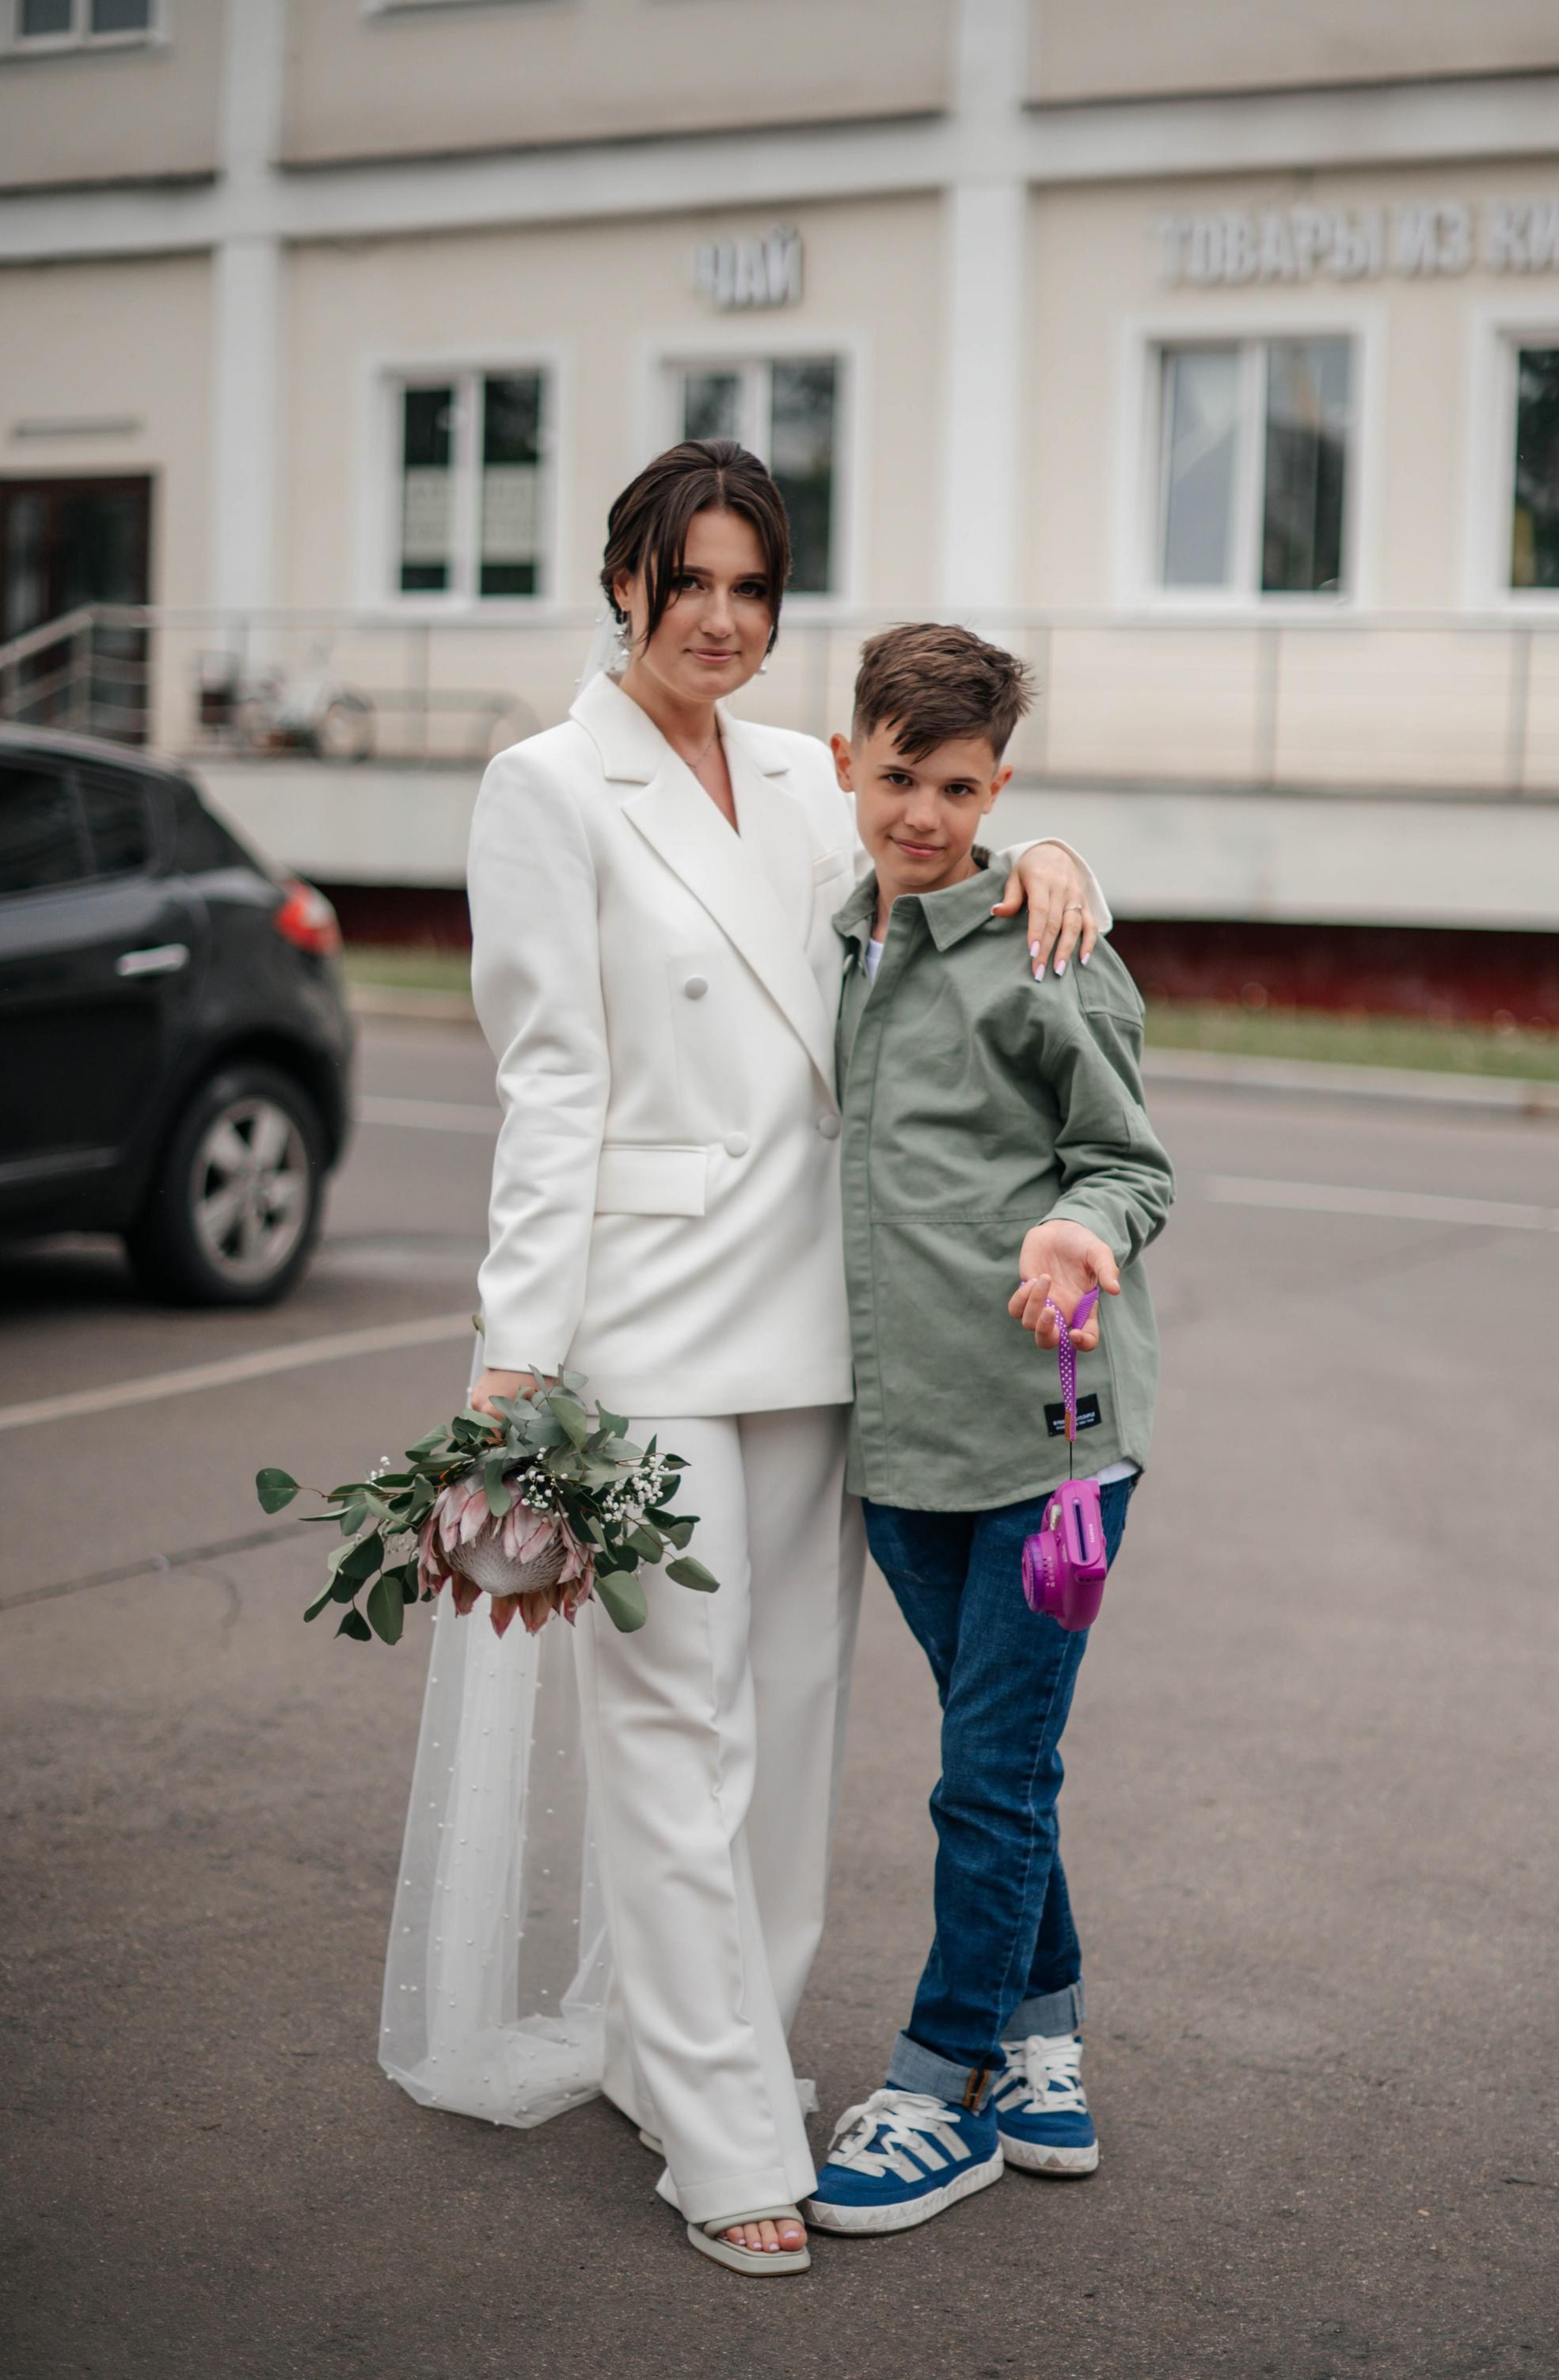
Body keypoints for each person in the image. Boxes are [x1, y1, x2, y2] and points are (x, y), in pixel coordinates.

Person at [378, 443, 1110, 2275]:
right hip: (638, 1332)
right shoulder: (545, 789)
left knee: (788, 1735)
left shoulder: (805, 769)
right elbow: (551, 1089)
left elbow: (925, 863)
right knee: (669, 1728)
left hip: (821, 1321)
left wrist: (1050, 856)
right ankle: (717, 2132)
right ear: (621, 581)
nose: (721, 619)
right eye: (686, 581)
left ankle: (689, 2045)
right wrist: (511, 1366)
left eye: (753, 588)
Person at [803, 623, 1173, 2237]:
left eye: (961, 788)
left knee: (983, 1777)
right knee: (997, 1764)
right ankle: (1042, 2034)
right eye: (898, 778)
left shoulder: (1044, 942)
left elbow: (1131, 1163)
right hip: (901, 1436)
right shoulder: (835, 938)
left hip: (1051, 1440)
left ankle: (933, 2079)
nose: (926, 815)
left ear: (998, 787)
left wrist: (1080, 1231)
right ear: (847, 766)